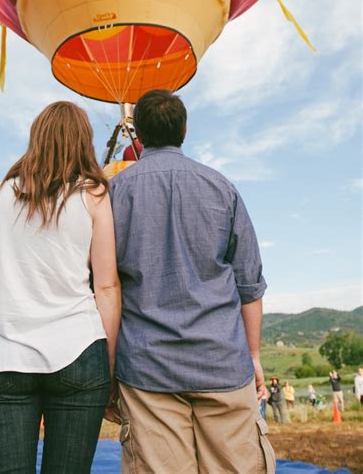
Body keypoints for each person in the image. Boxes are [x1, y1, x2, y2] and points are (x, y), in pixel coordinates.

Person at [108, 90, 275, 473]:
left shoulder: (116, 193)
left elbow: (104, 286)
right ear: (184, 129)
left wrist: (111, 366)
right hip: (223, 364)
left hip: (148, 369)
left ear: (141, 135)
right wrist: (253, 357)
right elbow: (249, 286)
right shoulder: (222, 188)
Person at [0, 102, 121, 474]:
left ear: (36, 137)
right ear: (83, 140)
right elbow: (106, 286)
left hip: (5, 353)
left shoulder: (4, 193)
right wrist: (109, 363)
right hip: (78, 351)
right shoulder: (94, 194)